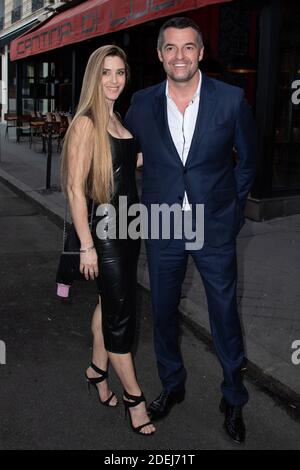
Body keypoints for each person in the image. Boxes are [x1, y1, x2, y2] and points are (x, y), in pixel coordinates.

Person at [125, 17, 257, 444]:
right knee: (163, 311)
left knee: (223, 314)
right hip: (163, 224)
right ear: (159, 54)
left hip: (212, 225)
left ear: (201, 53)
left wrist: (231, 213)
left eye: (187, 47)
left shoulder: (231, 99)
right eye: (170, 48)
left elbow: (249, 161)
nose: (178, 55)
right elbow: (124, 155)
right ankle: (173, 385)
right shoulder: (142, 103)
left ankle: (233, 397)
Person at [60, 45, 155, 436]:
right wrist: (86, 244)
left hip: (128, 229)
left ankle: (97, 371)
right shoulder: (86, 123)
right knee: (121, 317)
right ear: (93, 78)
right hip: (104, 234)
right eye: (106, 73)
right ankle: (135, 399)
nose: (114, 80)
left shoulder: (117, 118)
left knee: (108, 302)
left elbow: (127, 165)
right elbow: (72, 188)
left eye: (119, 72)